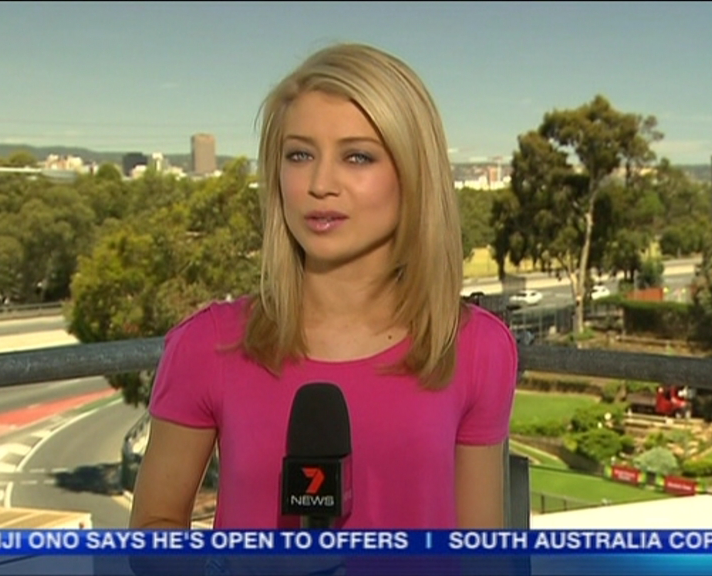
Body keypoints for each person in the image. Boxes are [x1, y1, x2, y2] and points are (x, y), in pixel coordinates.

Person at [129, 42, 518, 531]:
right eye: (299, 154)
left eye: (357, 156)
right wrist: (237, 564)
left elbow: (482, 552)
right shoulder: (207, 346)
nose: (319, 183)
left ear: (414, 174)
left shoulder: (476, 348)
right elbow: (155, 530)